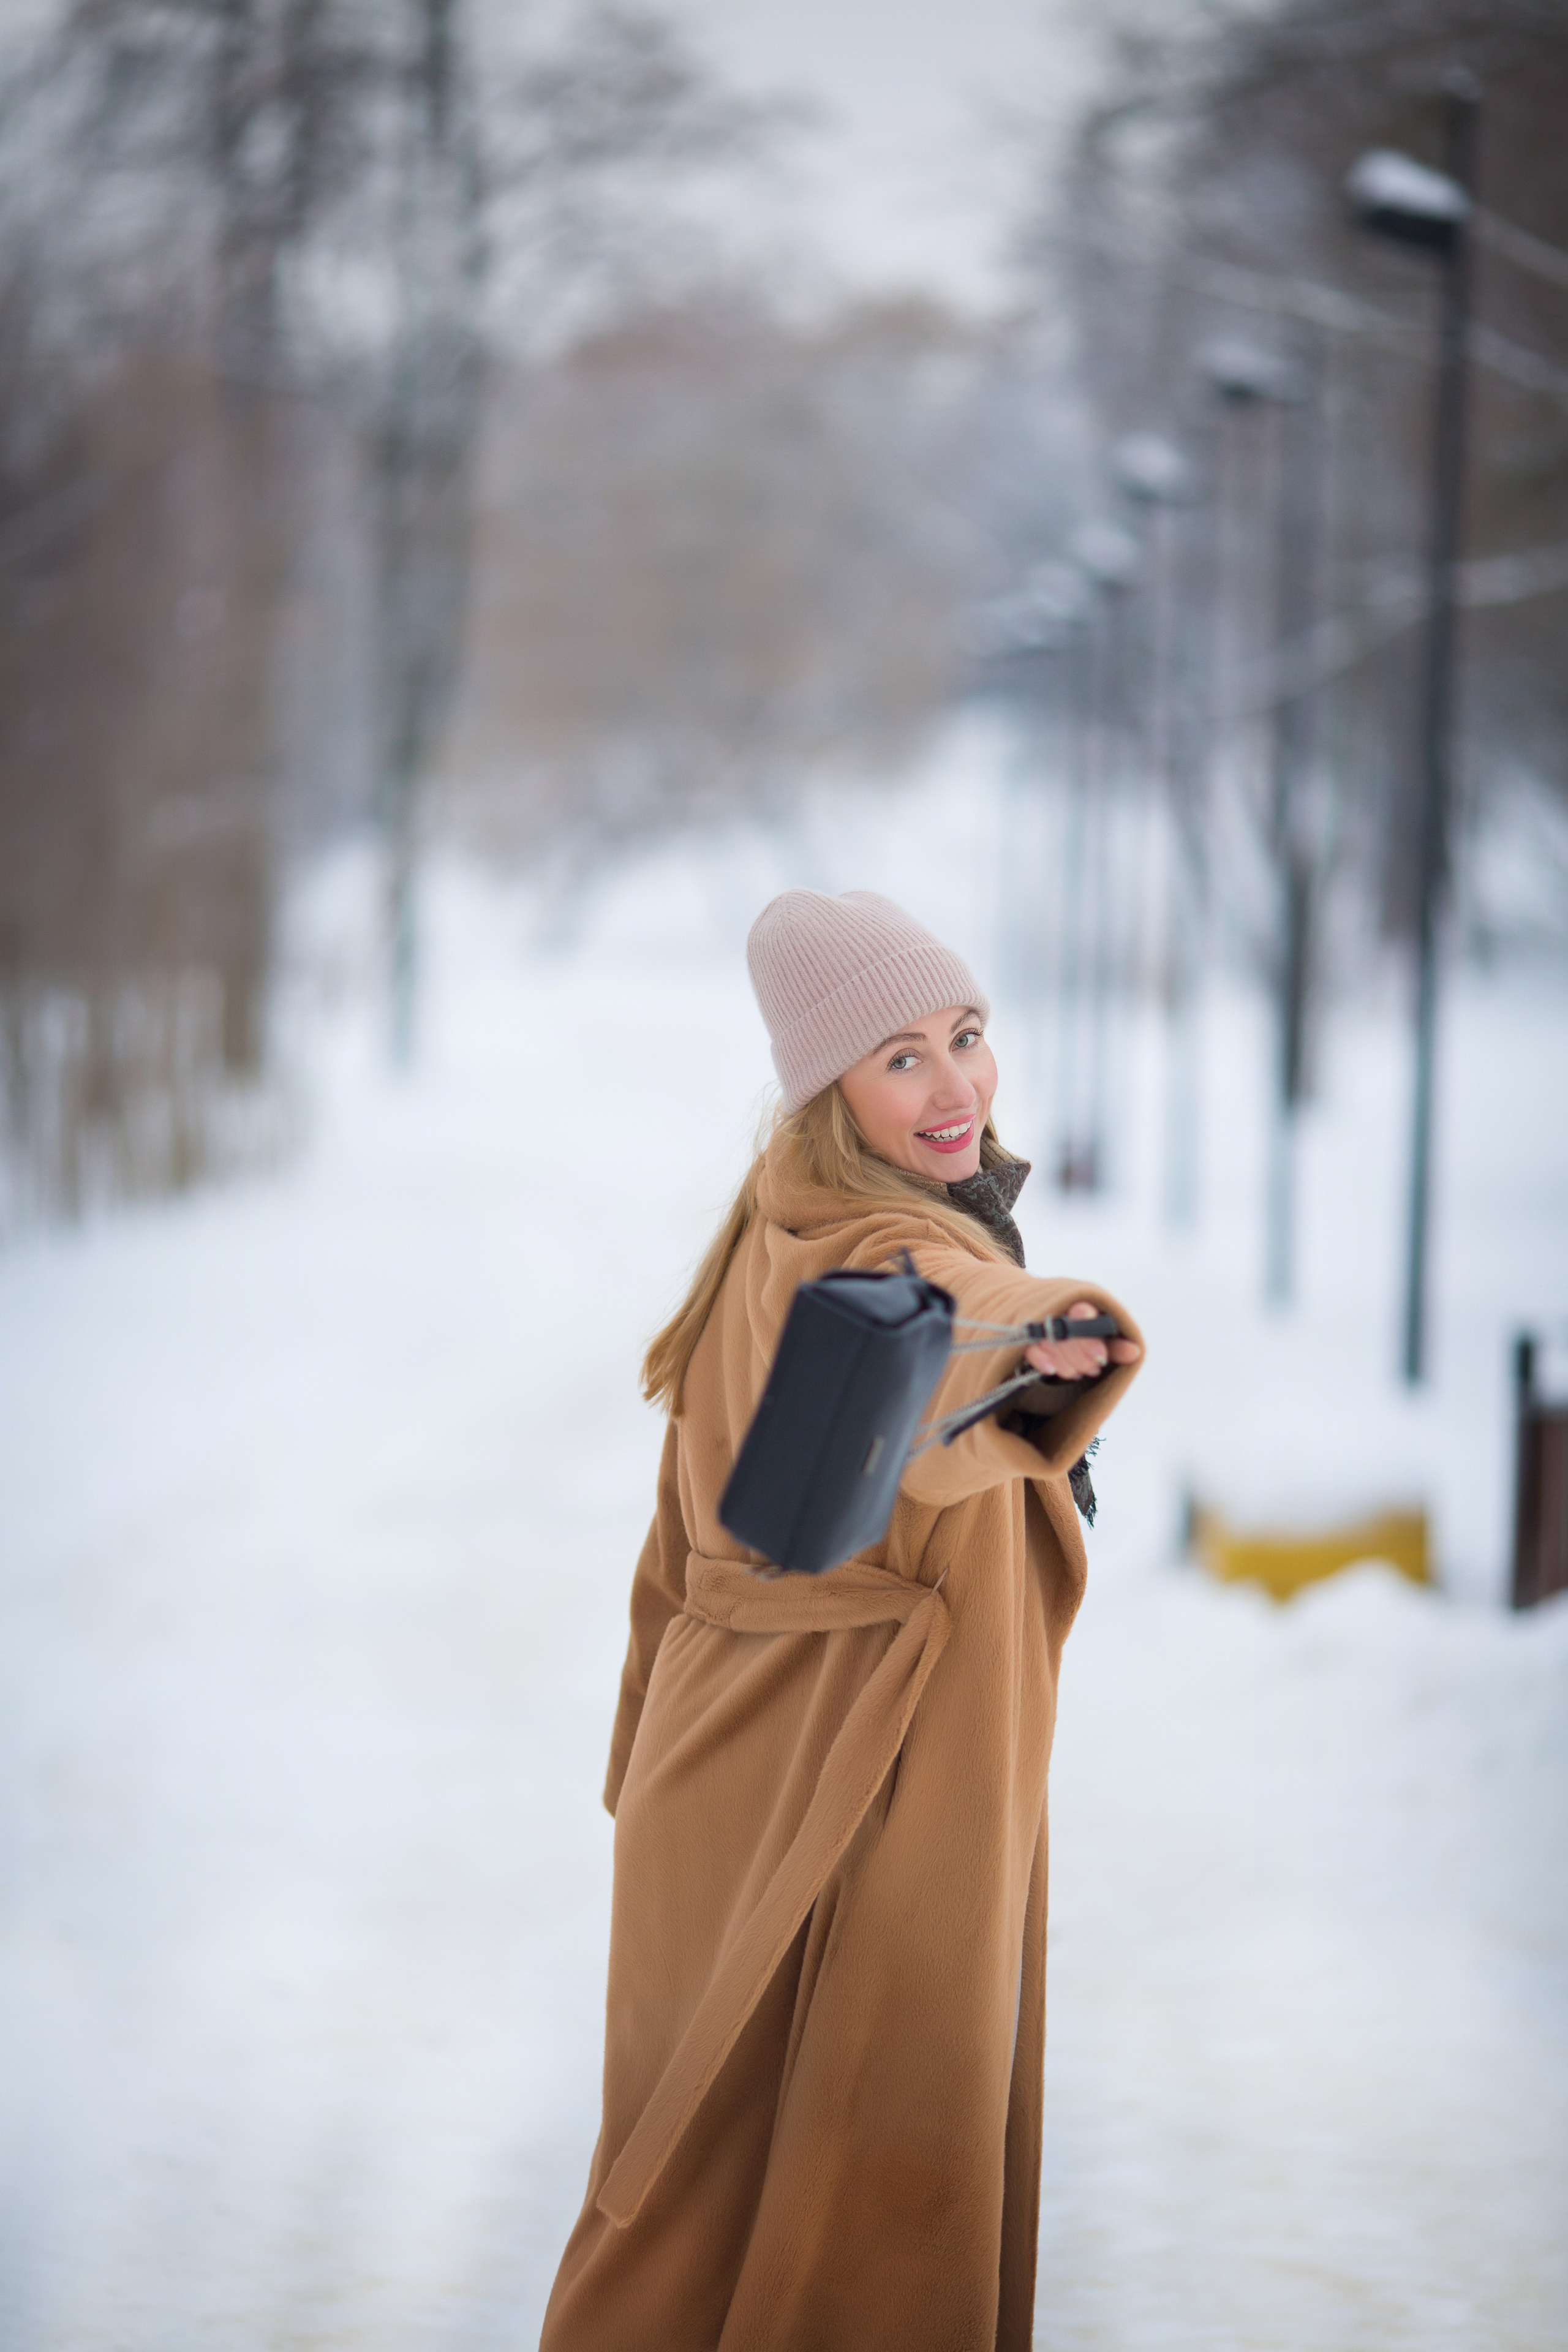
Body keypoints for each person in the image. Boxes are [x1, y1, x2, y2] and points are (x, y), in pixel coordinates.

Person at [540, 889, 1142, 2352]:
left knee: (696, 2201)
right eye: (901, 1058)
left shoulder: (776, 1222)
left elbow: (676, 1552)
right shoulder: (865, 1249)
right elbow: (934, 1330)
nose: (955, 1086)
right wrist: (1039, 1333)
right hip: (850, 1800)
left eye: (967, 1036)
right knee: (863, 2205)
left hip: (730, 1785)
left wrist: (640, 1778)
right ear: (827, 1086)